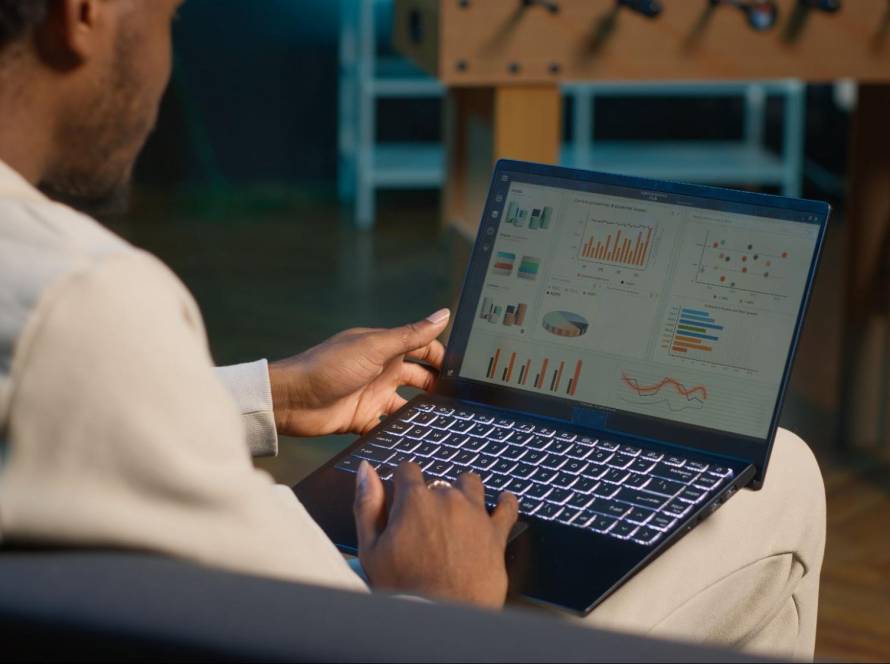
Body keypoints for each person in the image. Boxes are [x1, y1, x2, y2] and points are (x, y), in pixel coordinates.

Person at [0, 0, 826, 657]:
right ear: (84, 12)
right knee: (783, 475)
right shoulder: (88, 300)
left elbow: (69, 419)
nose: (165, 56)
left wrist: (273, 395)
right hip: (400, 630)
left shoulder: (40, 299)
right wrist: (442, 603)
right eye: (169, 14)